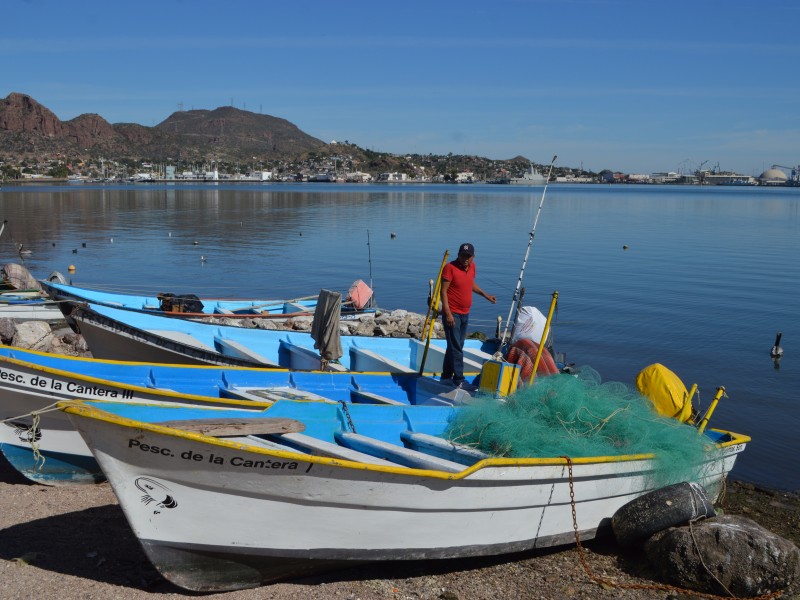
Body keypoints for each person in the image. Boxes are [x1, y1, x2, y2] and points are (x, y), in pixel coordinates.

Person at [440, 242, 496, 387]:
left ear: (473, 257)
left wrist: (485, 295)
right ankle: (459, 380)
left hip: (465, 313)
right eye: (463, 255)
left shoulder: (472, 267)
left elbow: (470, 284)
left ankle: (446, 377)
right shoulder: (450, 268)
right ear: (458, 255)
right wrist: (448, 314)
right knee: (456, 348)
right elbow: (443, 291)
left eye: (468, 256)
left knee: (456, 345)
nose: (465, 258)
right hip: (453, 314)